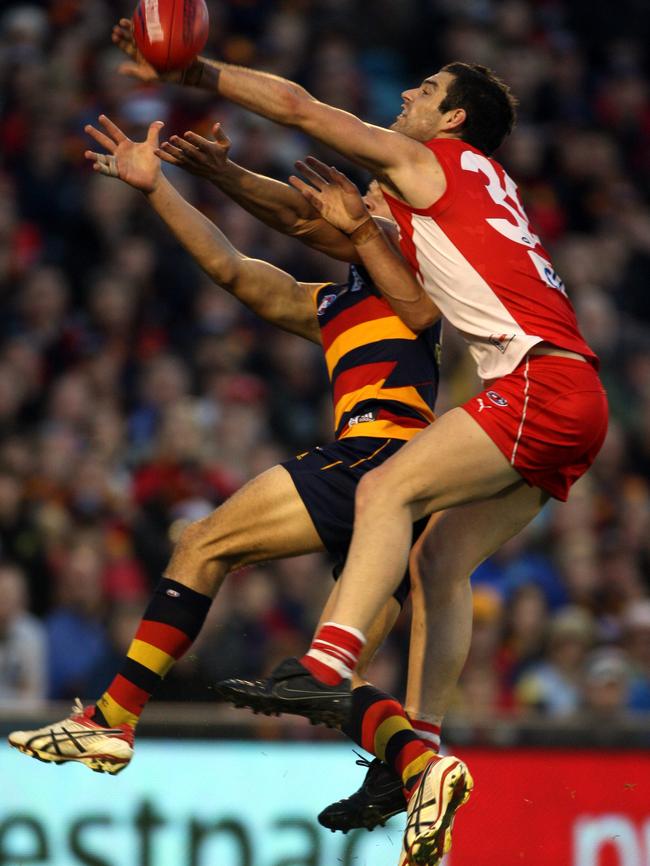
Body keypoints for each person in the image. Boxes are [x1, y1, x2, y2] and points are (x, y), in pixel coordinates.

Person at [108, 27, 608, 864]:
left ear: (451, 118)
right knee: (437, 567)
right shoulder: (459, 194)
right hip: (573, 390)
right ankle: (421, 760)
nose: (406, 97)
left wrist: (197, 71)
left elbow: (304, 111)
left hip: (537, 383)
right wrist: (224, 175)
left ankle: (328, 663)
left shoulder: (429, 164)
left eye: (423, 90)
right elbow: (316, 220)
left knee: (387, 490)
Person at [7, 114, 442, 813]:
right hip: (410, 496)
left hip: (378, 457)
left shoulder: (431, 288)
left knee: (202, 542)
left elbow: (302, 223)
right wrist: (159, 189)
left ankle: (112, 719)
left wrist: (242, 182)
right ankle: (423, 767)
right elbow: (233, 269)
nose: (357, 210)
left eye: (378, 206)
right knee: (326, 678)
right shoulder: (334, 302)